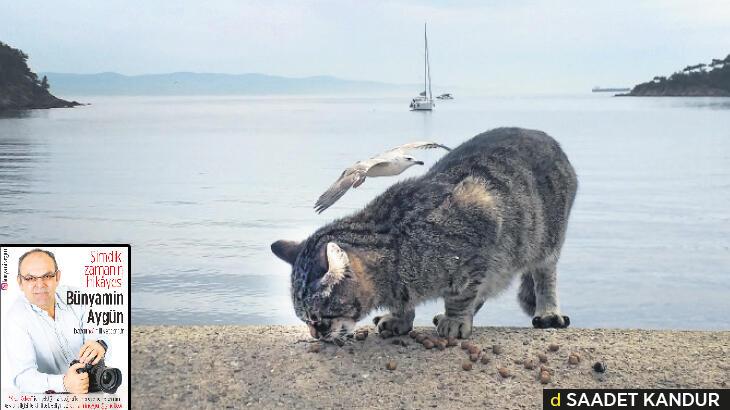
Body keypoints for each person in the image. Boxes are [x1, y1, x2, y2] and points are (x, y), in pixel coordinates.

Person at [2, 249, 108, 393]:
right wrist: (64, 383)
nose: (40, 284)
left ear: (57, 277)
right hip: (51, 401)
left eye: (47, 276)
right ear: (20, 282)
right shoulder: (16, 318)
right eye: (30, 278)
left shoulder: (79, 298)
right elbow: (23, 378)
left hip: (94, 393)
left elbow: (102, 333)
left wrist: (100, 344)